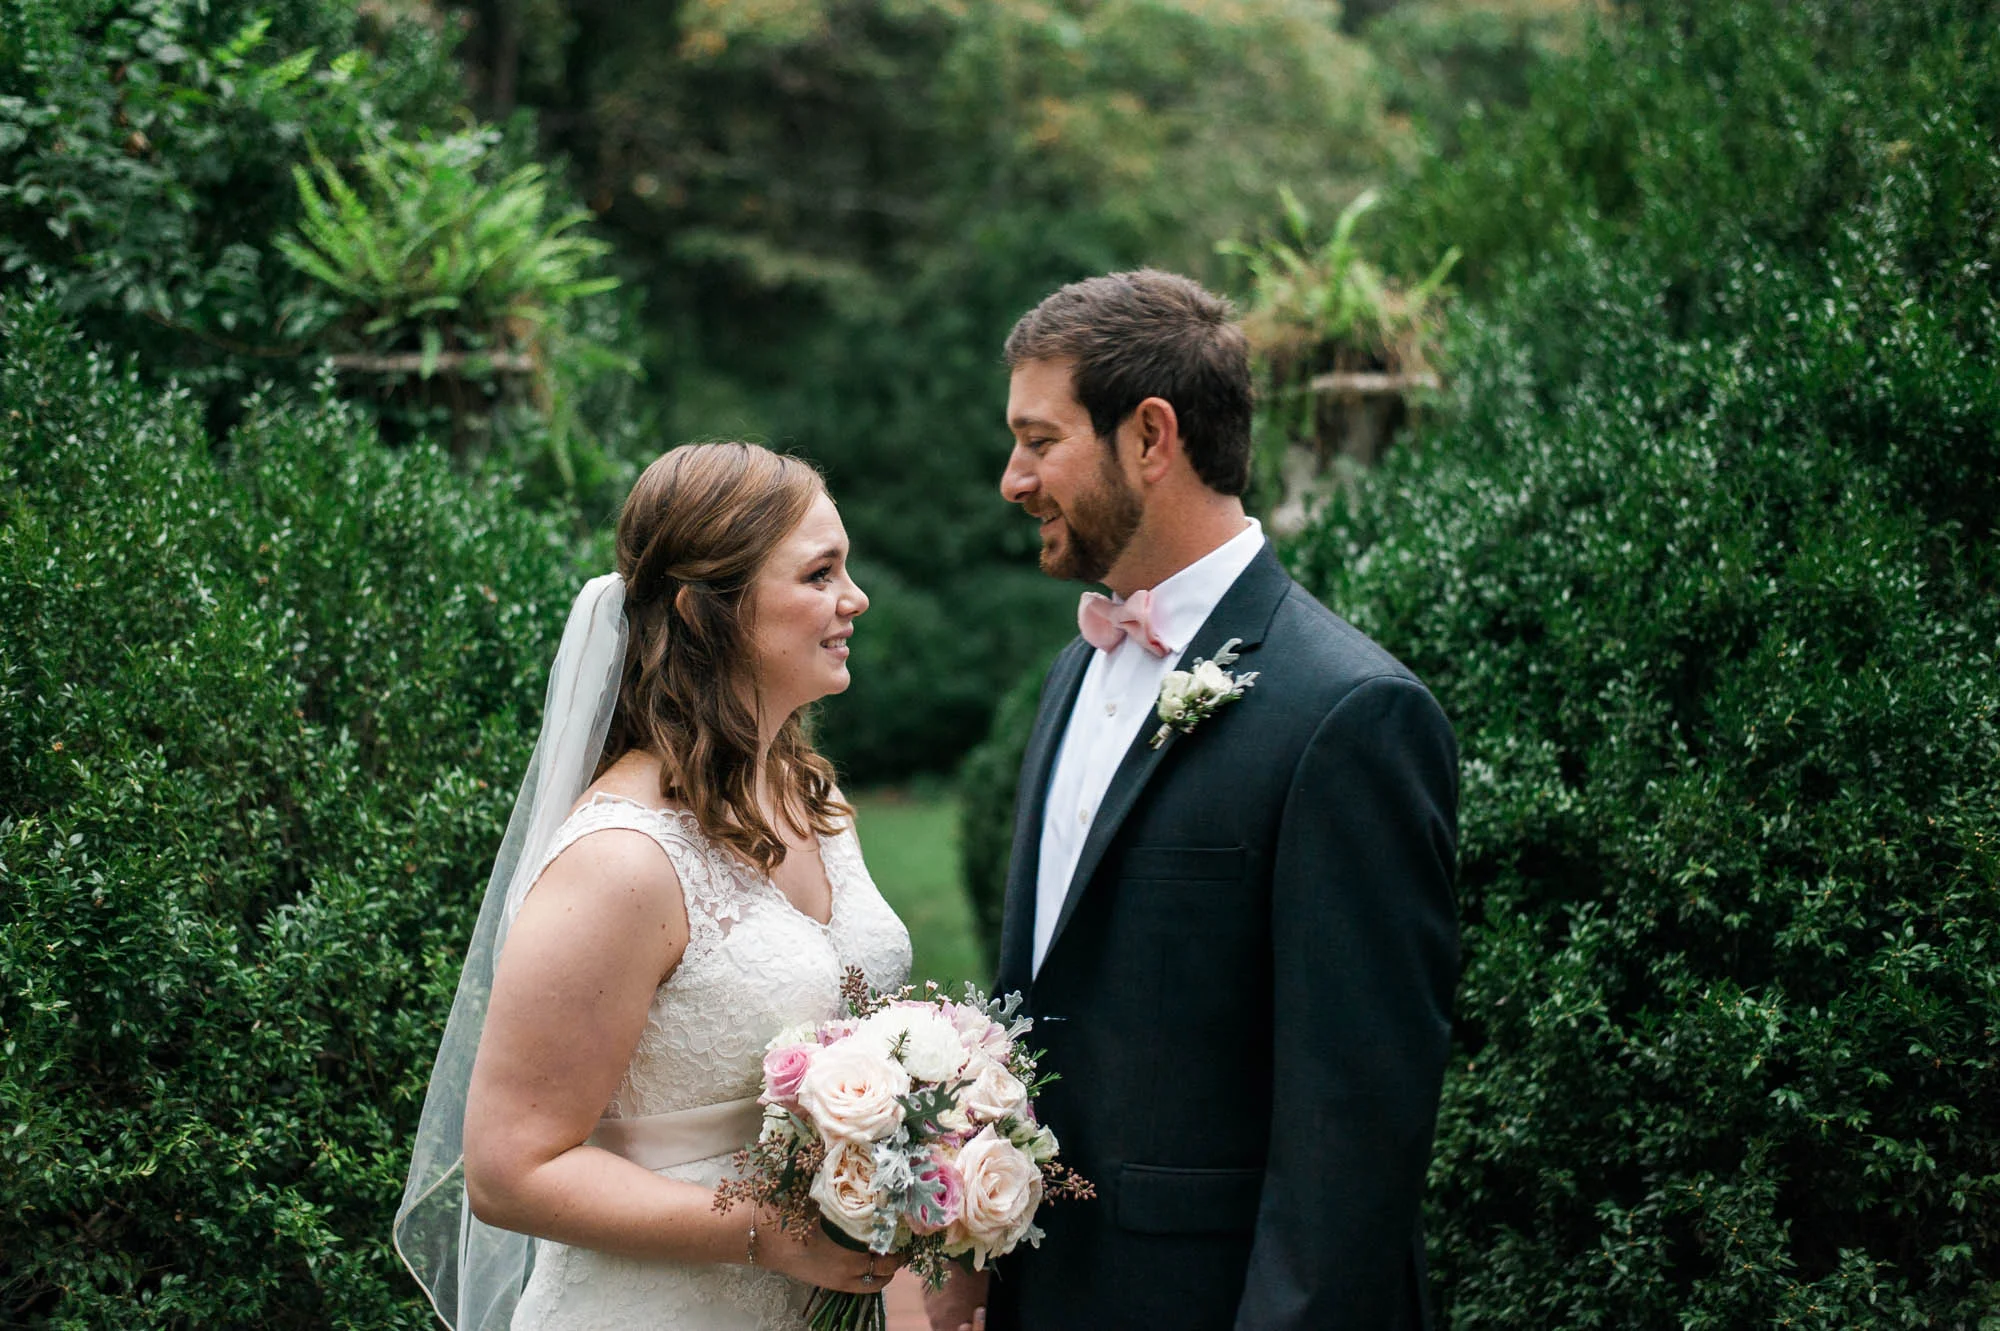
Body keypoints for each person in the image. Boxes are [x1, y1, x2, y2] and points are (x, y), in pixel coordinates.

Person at [926, 271, 1461, 1331]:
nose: (1010, 478)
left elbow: (1352, 1128)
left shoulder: (1348, 713)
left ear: (1151, 435)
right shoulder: (1070, 674)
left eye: (1038, 440)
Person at [395, 442, 913, 1330]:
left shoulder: (814, 799)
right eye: (821, 572)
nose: (854, 597)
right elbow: (509, 1171)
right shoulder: (622, 859)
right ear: (703, 610)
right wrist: (768, 1232)